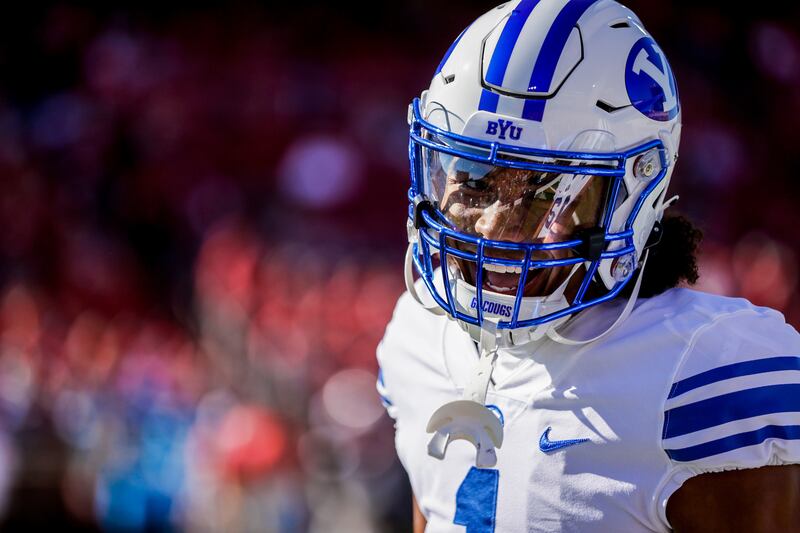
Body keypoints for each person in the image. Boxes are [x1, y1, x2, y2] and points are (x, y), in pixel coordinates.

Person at [375, 0, 800, 531]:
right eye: (475, 179)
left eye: (542, 192)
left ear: (634, 194)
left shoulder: (705, 371)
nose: (488, 227)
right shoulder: (417, 337)